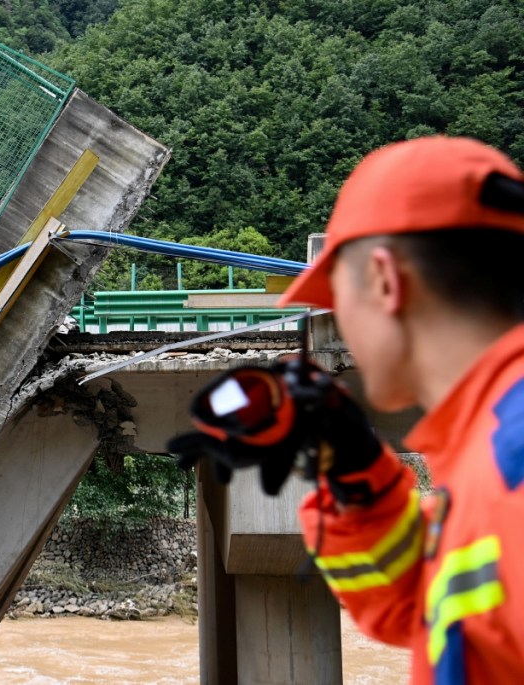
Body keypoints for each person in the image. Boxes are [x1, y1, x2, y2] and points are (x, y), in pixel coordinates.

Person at [174, 136, 524, 684]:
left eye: (337, 301)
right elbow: (419, 604)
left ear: (385, 281)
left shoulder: (512, 453)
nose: (340, 328)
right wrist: (354, 469)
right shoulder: (489, 447)